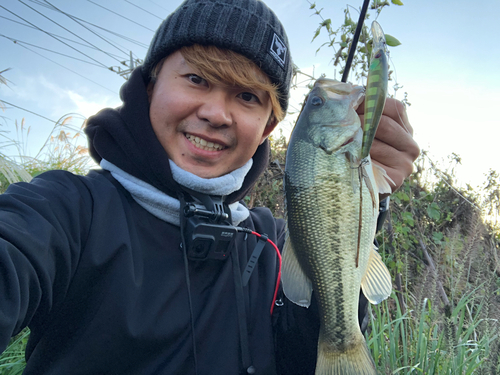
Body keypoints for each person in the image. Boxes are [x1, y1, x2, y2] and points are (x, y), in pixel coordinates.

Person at [0, 0, 419, 374]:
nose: (217, 113)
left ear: (267, 128)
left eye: (247, 97)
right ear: (150, 86)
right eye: (197, 79)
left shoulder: (274, 244)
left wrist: (365, 201)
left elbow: (305, 361)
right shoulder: (65, 210)